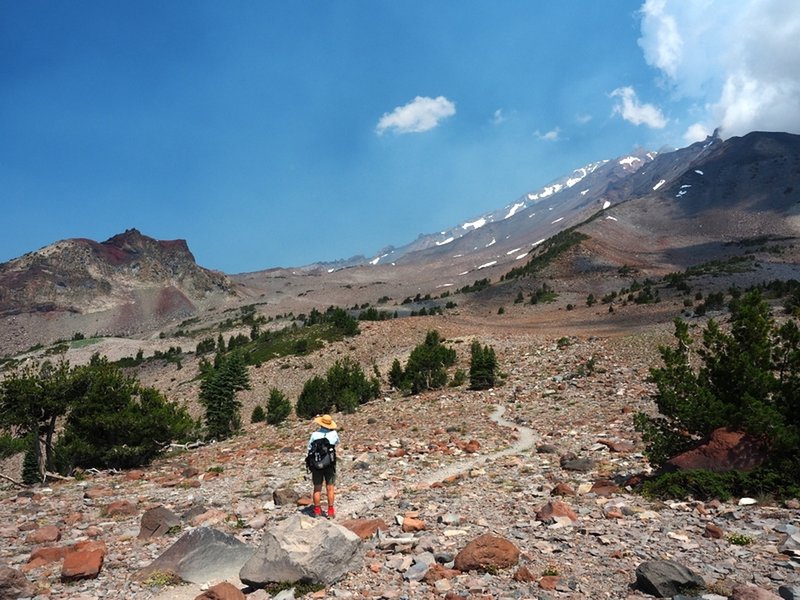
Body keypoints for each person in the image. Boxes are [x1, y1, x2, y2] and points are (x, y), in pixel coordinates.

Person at [307, 414, 339, 518]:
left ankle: (317, 510)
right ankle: (330, 511)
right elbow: (337, 443)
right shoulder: (333, 433)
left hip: (316, 464)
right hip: (329, 463)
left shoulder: (314, 434)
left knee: (317, 487)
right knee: (330, 487)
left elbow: (309, 448)